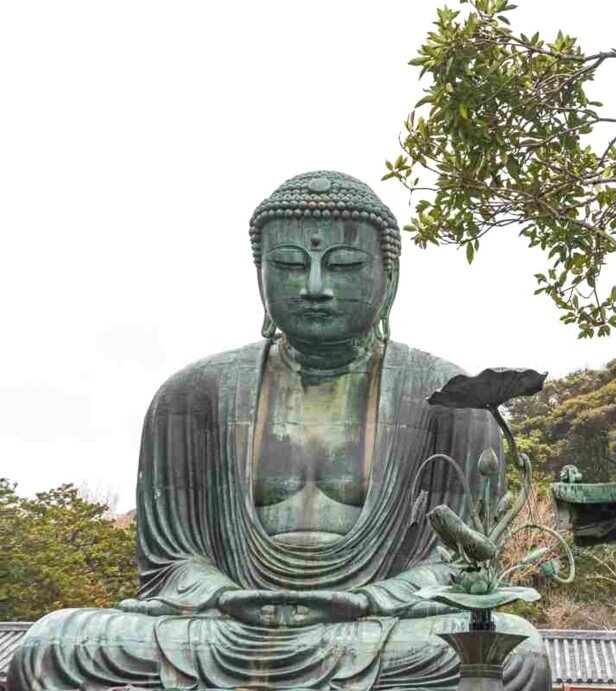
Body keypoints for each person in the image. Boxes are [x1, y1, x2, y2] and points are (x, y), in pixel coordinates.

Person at [9, 171, 550, 690]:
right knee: (53, 644)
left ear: (389, 277)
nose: (315, 287)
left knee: (517, 652)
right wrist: (226, 595)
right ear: (260, 272)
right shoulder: (193, 394)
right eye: (290, 264)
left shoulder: (450, 396)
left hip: (377, 627)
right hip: (227, 627)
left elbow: (460, 569)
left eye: (342, 264)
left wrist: (367, 600)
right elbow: (169, 564)